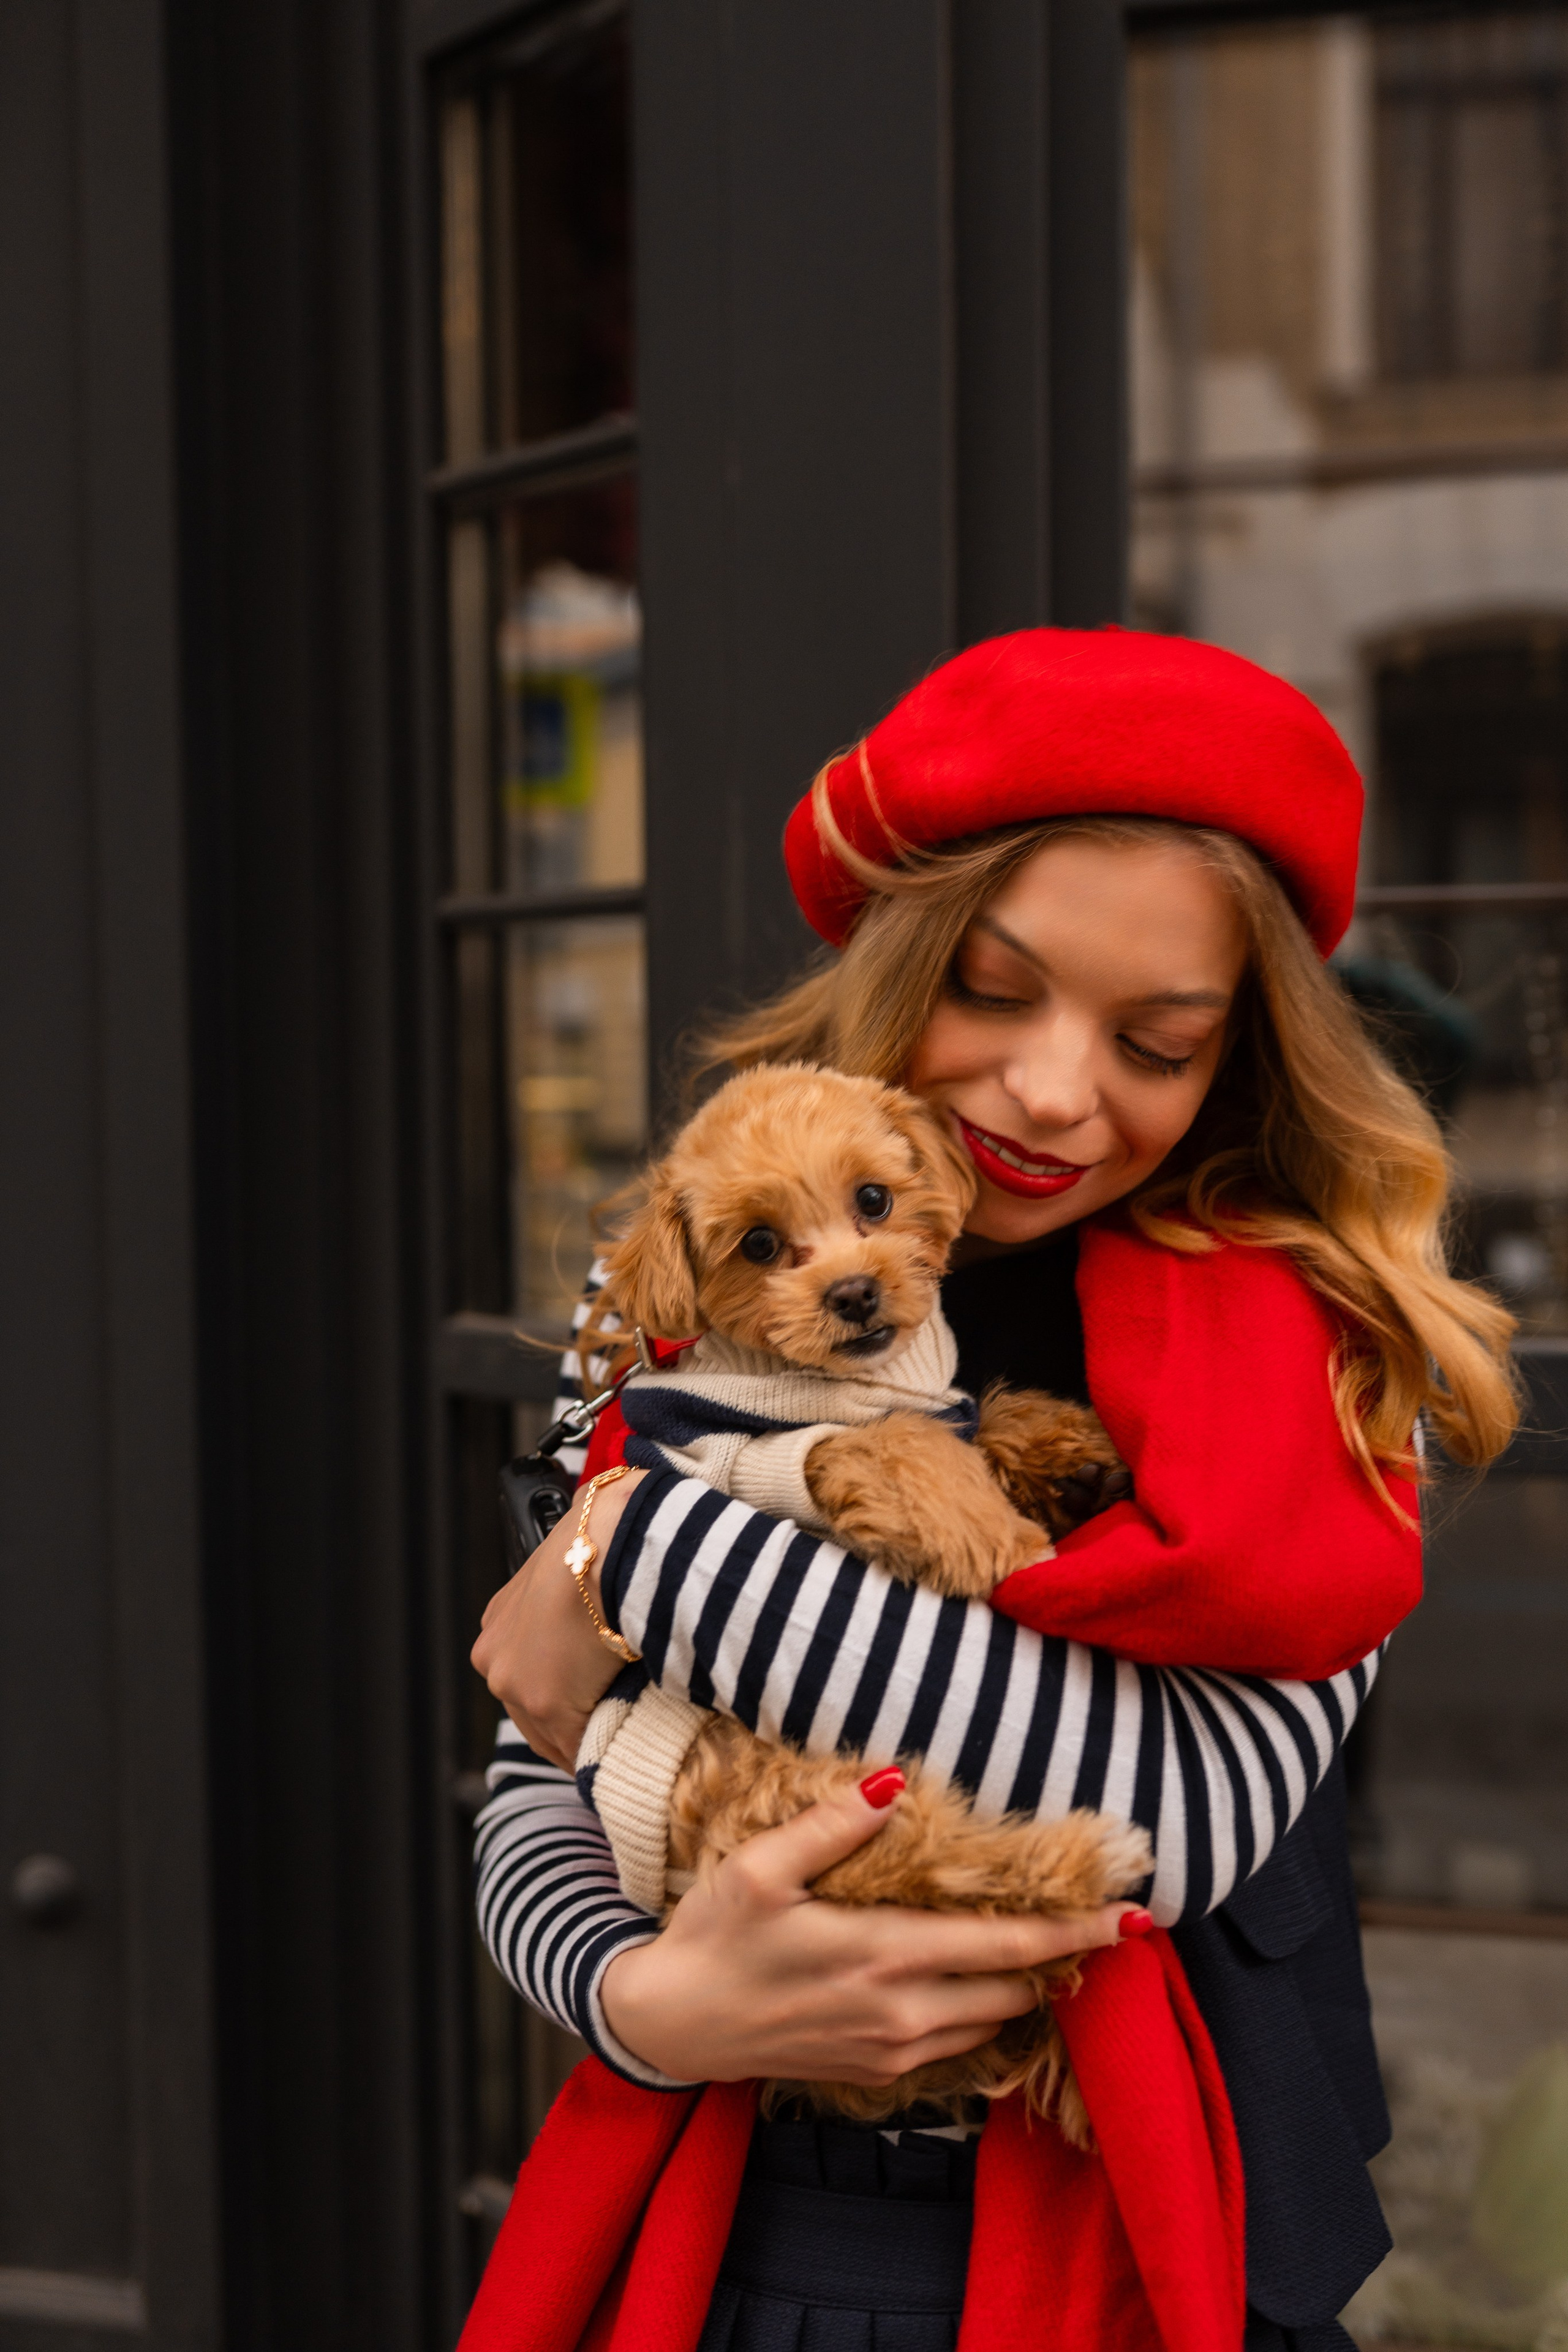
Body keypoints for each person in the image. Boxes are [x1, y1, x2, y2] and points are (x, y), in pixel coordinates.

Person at [464, 629, 1518, 2352]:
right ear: (903, 949)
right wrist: (642, 1996)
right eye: (994, 989)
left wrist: (635, 1540)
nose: (1051, 1094)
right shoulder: (715, 1271)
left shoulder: (1317, 1349)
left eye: (1158, 1043)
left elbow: (1163, 1828)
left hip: (1142, 2228)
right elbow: (536, 1757)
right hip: (755, 2217)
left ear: (1244, 1051)